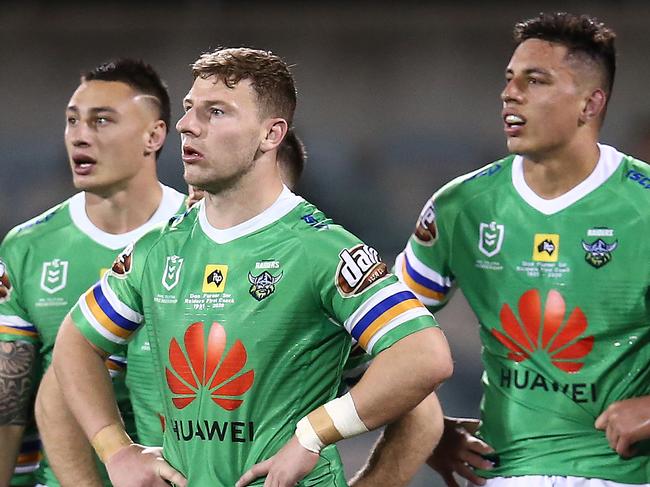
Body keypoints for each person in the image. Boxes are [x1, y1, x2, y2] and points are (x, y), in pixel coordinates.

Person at [50, 47, 453, 487]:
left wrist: (311, 436)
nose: (187, 125)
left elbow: (424, 356)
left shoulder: (319, 248)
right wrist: (117, 452)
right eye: (188, 110)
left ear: (270, 134)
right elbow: (76, 342)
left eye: (216, 112)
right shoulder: (158, 249)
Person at [390, 11, 650, 487]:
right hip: (505, 473)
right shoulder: (459, 206)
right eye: (510, 79)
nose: (510, 94)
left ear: (590, 104)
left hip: (627, 474)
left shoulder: (644, 204)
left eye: (536, 81)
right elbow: (383, 333)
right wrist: (424, 428)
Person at [0, 58, 186, 487]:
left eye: (102, 121)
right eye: (72, 121)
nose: (80, 136)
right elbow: (10, 399)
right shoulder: (27, 246)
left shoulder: (199, 235)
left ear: (154, 135)